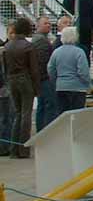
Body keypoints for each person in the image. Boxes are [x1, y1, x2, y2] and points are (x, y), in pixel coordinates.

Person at [1, 17, 39, 158]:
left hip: (11, 80)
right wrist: (36, 87)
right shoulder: (28, 46)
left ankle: (13, 149)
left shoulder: (7, 46)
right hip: (25, 80)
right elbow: (34, 70)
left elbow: (4, 69)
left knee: (16, 114)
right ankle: (23, 149)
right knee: (25, 115)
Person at [47, 27, 90, 113]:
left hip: (61, 87)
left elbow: (50, 69)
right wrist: (87, 83)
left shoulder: (56, 52)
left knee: (62, 114)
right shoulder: (79, 52)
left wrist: (56, 81)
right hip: (77, 88)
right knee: (76, 115)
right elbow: (83, 71)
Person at [63, 0, 93, 64]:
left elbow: (65, 11)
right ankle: (85, 72)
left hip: (72, 27)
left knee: (72, 53)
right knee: (85, 53)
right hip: (86, 27)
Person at [31, 16, 57, 131]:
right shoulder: (41, 41)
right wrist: (46, 76)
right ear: (38, 25)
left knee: (42, 105)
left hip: (40, 78)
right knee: (50, 104)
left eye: (49, 23)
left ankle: (40, 129)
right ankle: (46, 130)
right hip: (44, 78)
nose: (48, 25)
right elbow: (42, 61)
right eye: (45, 23)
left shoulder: (39, 39)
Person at [0, 23, 16, 156]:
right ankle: (5, 146)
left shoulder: (6, 48)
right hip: (5, 88)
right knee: (6, 118)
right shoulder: (4, 49)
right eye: (11, 33)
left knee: (8, 117)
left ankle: (6, 145)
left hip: (8, 87)